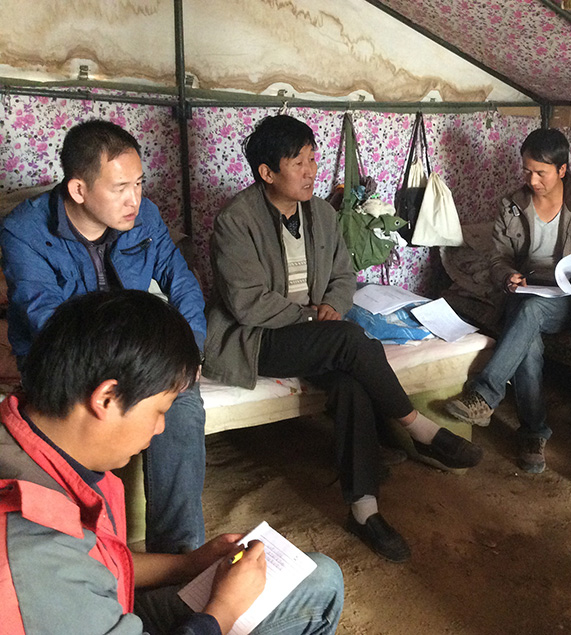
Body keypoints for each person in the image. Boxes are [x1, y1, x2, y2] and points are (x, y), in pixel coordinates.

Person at [203, 114, 483, 564]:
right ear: (267, 173)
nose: (311, 171)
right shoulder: (235, 220)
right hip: (261, 338)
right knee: (351, 341)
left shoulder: (320, 213)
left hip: (317, 331)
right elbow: (246, 302)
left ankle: (364, 510)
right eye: (298, 163)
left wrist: (332, 304)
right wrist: (311, 316)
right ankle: (418, 428)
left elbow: (343, 274)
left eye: (313, 159)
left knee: (351, 382)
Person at [0, 290, 343, 634]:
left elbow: (95, 561)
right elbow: (63, 571)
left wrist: (188, 564)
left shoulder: (41, 449)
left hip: (106, 605)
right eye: (160, 410)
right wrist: (223, 609)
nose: (161, 427)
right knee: (314, 591)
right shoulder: (34, 553)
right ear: (107, 398)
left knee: (319, 577)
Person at [0, 120, 207, 554]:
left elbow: (182, 282)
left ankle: (179, 553)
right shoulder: (25, 230)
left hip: (137, 356)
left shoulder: (146, 217)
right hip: (63, 362)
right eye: (120, 188)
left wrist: (186, 354)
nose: (135, 199)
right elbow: (45, 318)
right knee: (84, 420)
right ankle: (94, 554)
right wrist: (124, 375)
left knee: (181, 403)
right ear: (79, 190)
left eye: (139, 183)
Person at [445, 128, 571, 473]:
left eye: (541, 172)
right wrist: (507, 275)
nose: (532, 180)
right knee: (529, 335)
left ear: (562, 170)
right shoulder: (512, 205)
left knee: (530, 310)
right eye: (527, 171)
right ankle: (533, 434)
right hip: (527, 292)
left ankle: (486, 394)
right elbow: (497, 258)